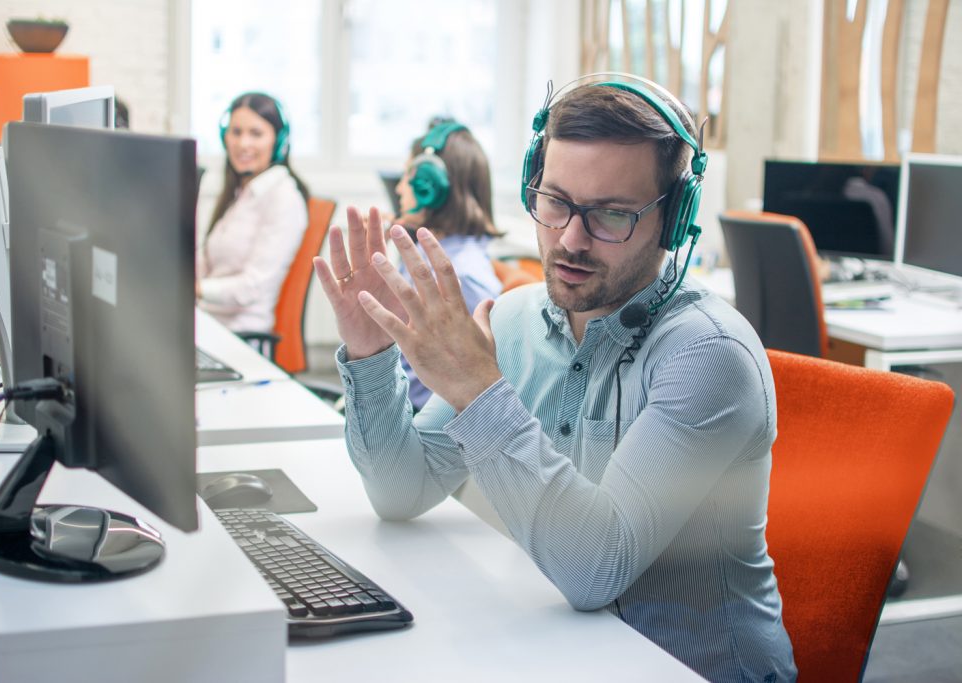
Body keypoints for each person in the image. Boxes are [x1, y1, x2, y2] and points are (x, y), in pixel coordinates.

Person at [313, 74, 797, 682]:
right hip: (566, 652)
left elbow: (597, 570)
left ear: (674, 221)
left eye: (612, 215)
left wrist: (476, 391)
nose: (570, 240)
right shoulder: (517, 319)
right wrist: (370, 351)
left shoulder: (708, 356)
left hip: (687, 668)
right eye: (555, 201)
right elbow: (400, 491)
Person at [392, 119, 503, 410]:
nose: (400, 189)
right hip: (402, 403)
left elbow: (482, 391)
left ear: (433, 187)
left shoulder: (461, 276)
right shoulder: (427, 253)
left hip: (427, 423)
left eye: (407, 177)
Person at [196, 92, 309, 333]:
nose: (242, 143)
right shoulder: (241, 193)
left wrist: (196, 288)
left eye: (256, 134)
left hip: (240, 334)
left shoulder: (284, 198)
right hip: (208, 323)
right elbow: (209, 263)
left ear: (278, 142)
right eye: (236, 132)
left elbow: (252, 287)